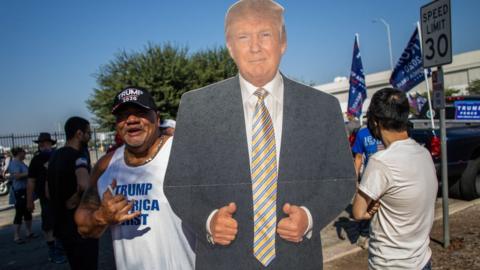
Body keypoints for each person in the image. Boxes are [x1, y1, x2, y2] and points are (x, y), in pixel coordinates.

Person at [164, 1, 356, 269]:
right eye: (243, 37)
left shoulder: (322, 107)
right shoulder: (197, 108)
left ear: (283, 41)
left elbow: (342, 179)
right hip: (223, 261)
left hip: (297, 261)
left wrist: (310, 217)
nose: (255, 47)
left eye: (265, 34)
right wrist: (208, 221)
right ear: (230, 46)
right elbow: (177, 186)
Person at [75, 87, 195, 270]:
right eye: (123, 115)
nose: (131, 120)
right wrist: (101, 217)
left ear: (157, 117)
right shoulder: (105, 166)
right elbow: (82, 225)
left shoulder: (183, 153)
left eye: (140, 112)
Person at [352, 88, 437, 270]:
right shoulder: (424, 153)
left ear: (375, 122)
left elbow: (358, 212)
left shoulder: (381, 162)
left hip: (391, 264)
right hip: (422, 259)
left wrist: (370, 210)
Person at [47, 116, 98, 270]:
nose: (89, 137)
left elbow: (47, 192)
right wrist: (76, 198)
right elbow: (84, 184)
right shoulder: (78, 156)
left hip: (62, 225)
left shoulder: (55, 156)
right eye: (88, 133)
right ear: (79, 134)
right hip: (80, 224)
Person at [26, 133, 66, 263]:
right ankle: (53, 251)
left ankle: (60, 249)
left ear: (51, 143)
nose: (42, 145)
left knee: (60, 222)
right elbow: (31, 181)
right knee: (48, 224)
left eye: (45, 142)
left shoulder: (58, 156)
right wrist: (29, 200)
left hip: (60, 196)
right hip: (45, 198)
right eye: (40, 143)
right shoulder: (36, 160)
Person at [7, 147, 38, 244]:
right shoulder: (15, 163)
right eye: (24, 153)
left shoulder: (20, 163)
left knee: (27, 212)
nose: (25, 154)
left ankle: (28, 232)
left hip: (25, 190)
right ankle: (16, 236)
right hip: (20, 191)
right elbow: (17, 176)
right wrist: (30, 172)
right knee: (19, 213)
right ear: (19, 153)